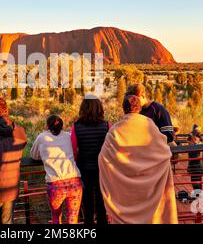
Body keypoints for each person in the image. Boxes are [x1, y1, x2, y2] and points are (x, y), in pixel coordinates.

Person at [98, 95, 178, 224]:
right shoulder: (150, 126)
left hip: (126, 194)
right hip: (150, 189)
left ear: (123, 109)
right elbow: (164, 151)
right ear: (139, 108)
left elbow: (103, 159)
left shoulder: (115, 130)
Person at [31, 115, 82, 224]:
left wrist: (46, 155)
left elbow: (34, 155)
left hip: (56, 185)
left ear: (47, 126)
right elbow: (76, 150)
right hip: (74, 182)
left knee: (55, 217)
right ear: (62, 125)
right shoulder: (68, 136)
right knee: (73, 219)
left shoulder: (41, 137)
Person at [70, 95, 109, 225]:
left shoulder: (76, 127)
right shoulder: (107, 125)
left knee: (87, 204)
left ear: (83, 108)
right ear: (99, 108)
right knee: (101, 203)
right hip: (102, 170)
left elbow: (74, 151)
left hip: (84, 169)